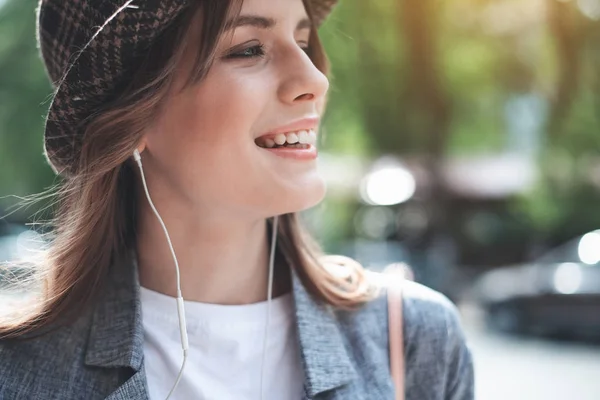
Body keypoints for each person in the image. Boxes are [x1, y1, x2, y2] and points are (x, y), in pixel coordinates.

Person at [0, 0, 474, 399]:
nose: (314, 80)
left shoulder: (415, 338)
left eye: (304, 43)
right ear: (133, 118)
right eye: (249, 49)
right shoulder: (17, 372)